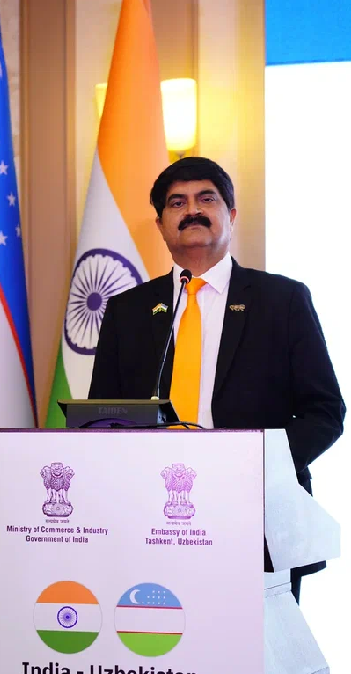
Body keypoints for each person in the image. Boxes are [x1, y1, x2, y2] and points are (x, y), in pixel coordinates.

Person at [88, 156, 345, 602]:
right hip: (149, 518)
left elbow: (324, 412)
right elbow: (102, 417)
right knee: (158, 638)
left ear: (231, 215)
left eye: (206, 199)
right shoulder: (127, 310)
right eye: (177, 203)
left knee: (258, 647)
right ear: (160, 224)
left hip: (257, 517)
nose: (192, 210)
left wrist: (258, 469)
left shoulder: (281, 300)